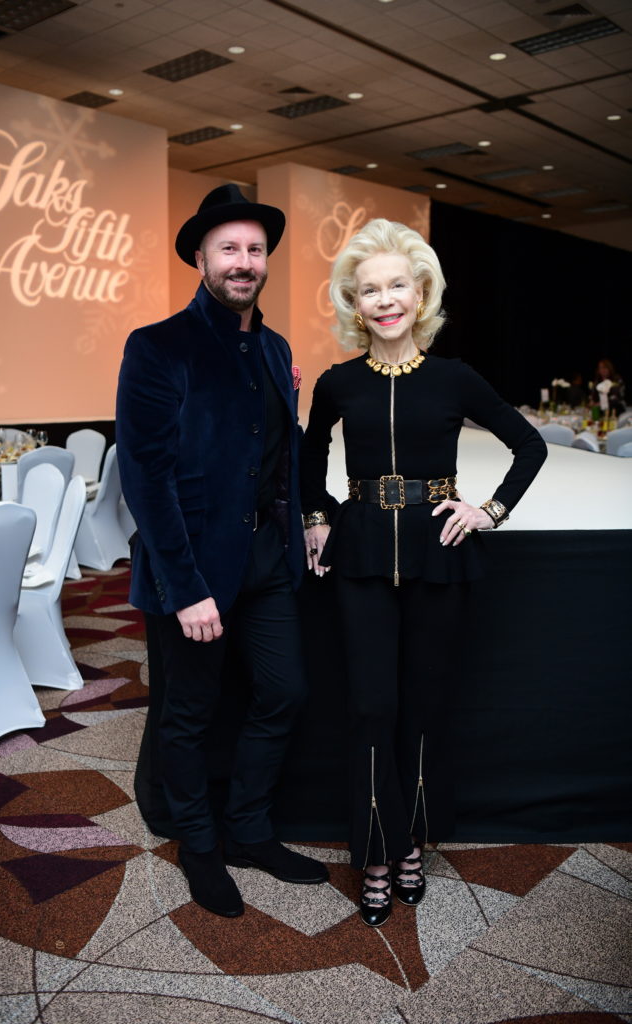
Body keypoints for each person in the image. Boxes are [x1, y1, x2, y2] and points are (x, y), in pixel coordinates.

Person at [300, 219, 547, 927]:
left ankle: (411, 843)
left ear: (421, 292)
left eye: (396, 286)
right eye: (369, 289)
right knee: (370, 708)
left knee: (423, 709)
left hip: (439, 560)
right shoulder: (338, 383)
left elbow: (527, 446)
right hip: (361, 557)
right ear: (354, 302)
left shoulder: (454, 378)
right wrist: (316, 519)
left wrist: (489, 510)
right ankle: (374, 855)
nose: (384, 300)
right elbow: (306, 463)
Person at [116, 184, 328, 919]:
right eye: (228, 249)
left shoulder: (273, 347)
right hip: (194, 570)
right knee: (188, 713)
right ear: (200, 258)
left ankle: (247, 829)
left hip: (269, 561)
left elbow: (279, 454)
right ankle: (198, 846)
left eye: (254, 250)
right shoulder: (156, 346)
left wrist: (307, 515)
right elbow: (144, 477)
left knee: (284, 691)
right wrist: (185, 587)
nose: (243, 262)